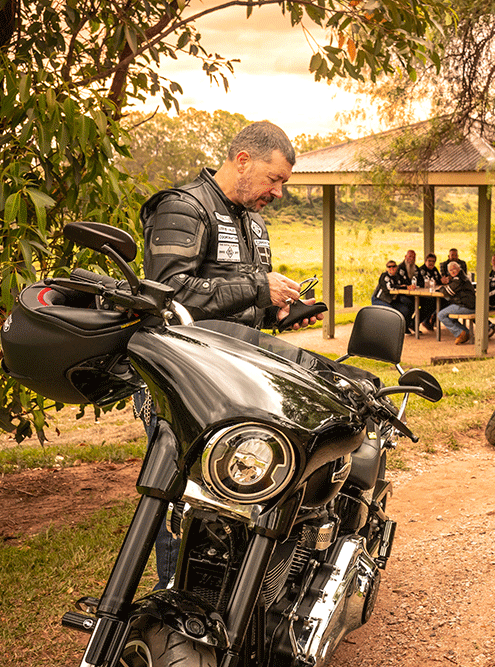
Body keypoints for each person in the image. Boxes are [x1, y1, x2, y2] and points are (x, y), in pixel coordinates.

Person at [137, 120, 322, 589]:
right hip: (183, 375)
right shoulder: (182, 208)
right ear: (242, 161)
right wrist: (259, 285)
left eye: (282, 183)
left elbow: (239, 307)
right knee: (185, 491)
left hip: (239, 371)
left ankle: (235, 593)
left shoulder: (254, 221)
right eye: (274, 179)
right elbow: (168, 294)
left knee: (242, 481)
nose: (278, 193)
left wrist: (279, 313)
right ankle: (173, 598)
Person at [437, 260, 476, 345]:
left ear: (459, 268)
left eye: (454, 268)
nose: (453, 271)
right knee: (450, 317)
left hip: (467, 306)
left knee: (441, 315)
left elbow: (448, 293)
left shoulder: (459, 279)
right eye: (450, 270)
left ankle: (459, 333)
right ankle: (465, 333)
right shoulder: (461, 276)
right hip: (469, 305)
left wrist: (441, 288)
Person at [372, 259, 414, 332]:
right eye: (389, 267)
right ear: (386, 268)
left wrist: (408, 286)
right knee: (392, 312)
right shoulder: (384, 276)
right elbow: (389, 288)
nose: (392, 268)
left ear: (397, 267)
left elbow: (405, 283)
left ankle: (403, 329)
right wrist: (403, 287)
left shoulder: (397, 276)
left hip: (390, 300)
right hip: (379, 299)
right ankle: (389, 331)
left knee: (406, 310)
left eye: (394, 266)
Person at [416, 252, 442, 331]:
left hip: (432, 294)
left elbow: (439, 280)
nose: (431, 263)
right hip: (421, 295)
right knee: (431, 303)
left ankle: (429, 320)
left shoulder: (434, 269)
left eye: (433, 261)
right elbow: (423, 283)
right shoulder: (422, 270)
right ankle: (415, 323)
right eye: (429, 261)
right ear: (425, 261)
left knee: (443, 301)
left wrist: (442, 281)